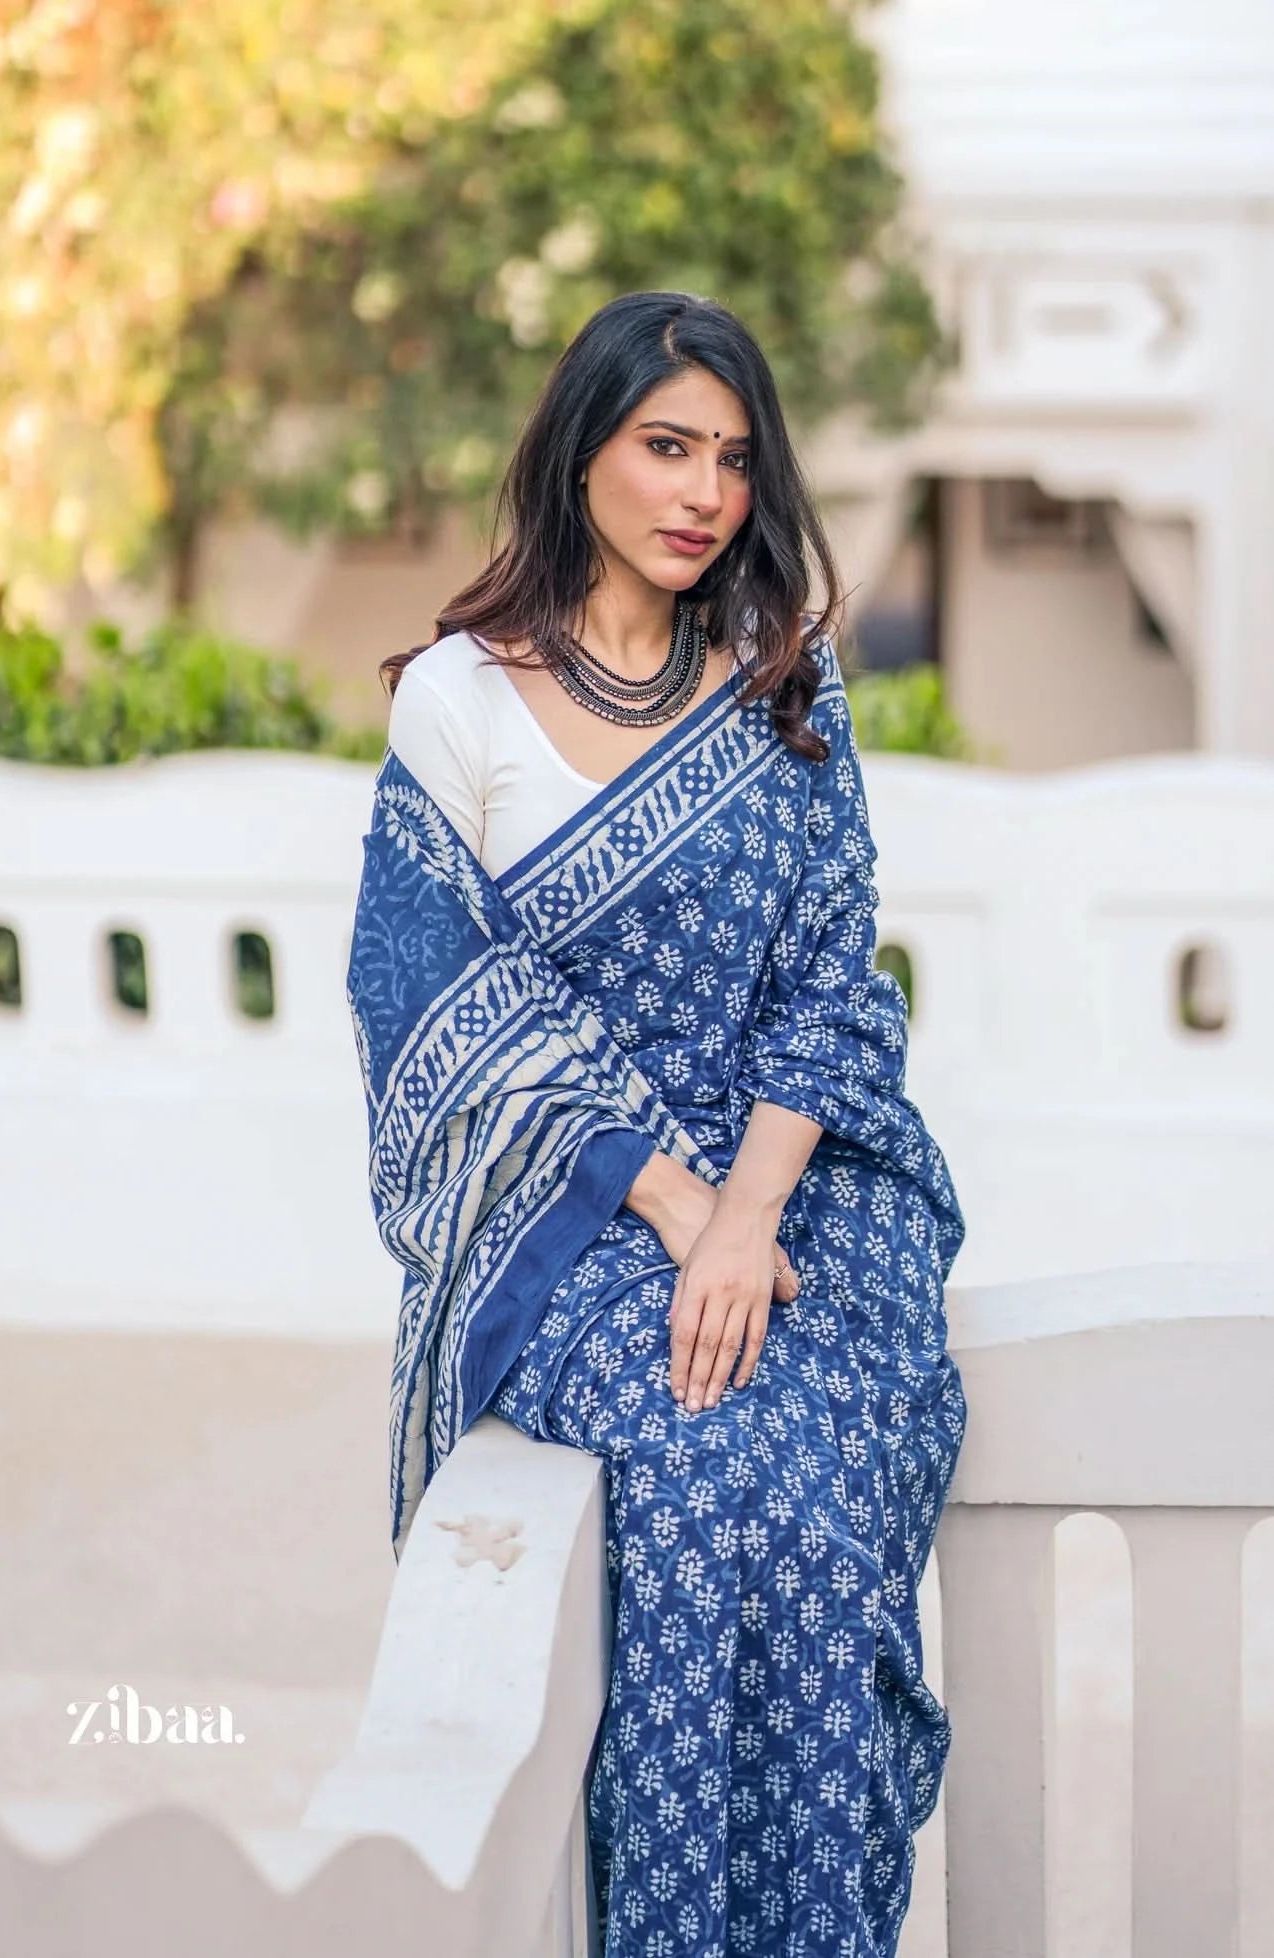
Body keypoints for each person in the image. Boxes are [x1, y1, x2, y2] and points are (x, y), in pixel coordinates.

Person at [345, 289, 967, 1957]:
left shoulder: (783, 682)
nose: (704, 492)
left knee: (823, 1469)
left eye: (735, 459)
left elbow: (834, 976)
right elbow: (432, 1010)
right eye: (667, 445)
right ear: (582, 453)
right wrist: (676, 1204)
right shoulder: (461, 700)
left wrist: (747, 1212)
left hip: (806, 1173)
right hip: (571, 1206)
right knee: (703, 1467)